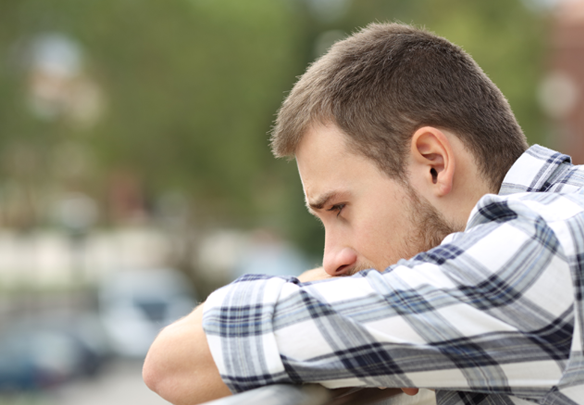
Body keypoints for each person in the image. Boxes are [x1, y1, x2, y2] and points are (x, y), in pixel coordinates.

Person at [142, 22, 584, 405]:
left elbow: (173, 364)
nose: (333, 258)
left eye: (340, 209)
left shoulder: (536, 257)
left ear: (434, 163)